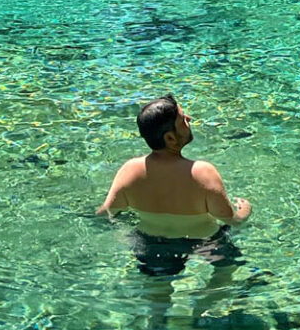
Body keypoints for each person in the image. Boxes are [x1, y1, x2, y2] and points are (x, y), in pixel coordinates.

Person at [97, 95, 251, 277]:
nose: (189, 120)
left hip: (151, 245)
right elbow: (232, 220)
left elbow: (105, 213)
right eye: (183, 119)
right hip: (205, 242)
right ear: (170, 138)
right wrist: (245, 211)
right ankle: (204, 302)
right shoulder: (202, 173)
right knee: (226, 274)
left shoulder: (129, 171)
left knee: (158, 296)